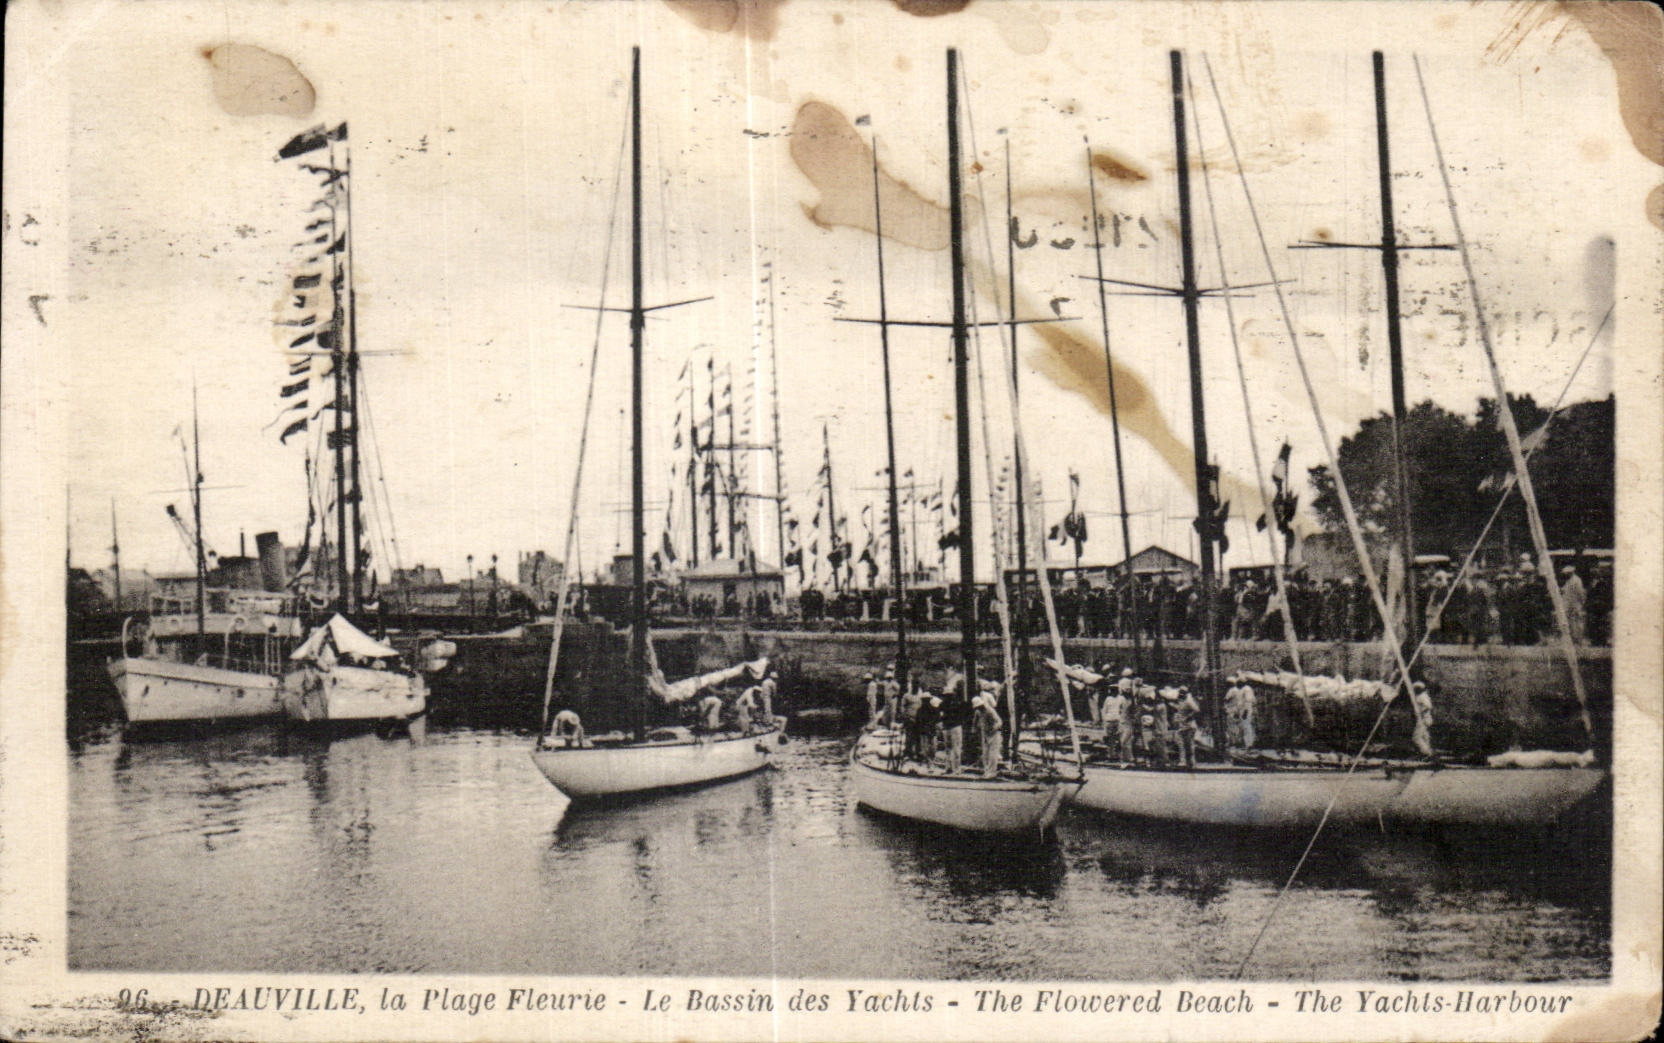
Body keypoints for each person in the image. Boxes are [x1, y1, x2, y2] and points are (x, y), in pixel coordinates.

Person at [940, 674, 970, 774]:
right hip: (948, 727)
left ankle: (956, 768)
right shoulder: (944, 704)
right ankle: (949, 767)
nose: (947, 697)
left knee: (956, 749)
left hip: (954, 727)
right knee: (949, 749)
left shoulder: (957, 703)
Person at [971, 688, 1004, 777]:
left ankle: (992, 772)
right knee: (985, 753)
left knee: (993, 754)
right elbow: (975, 722)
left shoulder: (989, 711)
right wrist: (974, 729)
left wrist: (995, 727)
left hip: (994, 734)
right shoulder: (978, 712)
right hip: (985, 734)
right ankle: (986, 771)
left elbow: (999, 721)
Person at [1170, 686, 1201, 768]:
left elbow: (1197, 710)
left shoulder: (1188, 701)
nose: (1181, 694)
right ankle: (1183, 761)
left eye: (1183, 693)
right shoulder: (1181, 701)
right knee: (1180, 743)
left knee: (1189, 744)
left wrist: (1189, 716)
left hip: (1189, 726)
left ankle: (1191, 762)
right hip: (1182, 725)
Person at [1409, 681, 1435, 758]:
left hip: (1424, 719)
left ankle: (1427, 752)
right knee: (1425, 736)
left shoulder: (1423, 696)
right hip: (1422, 719)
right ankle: (1428, 753)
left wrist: (1419, 711)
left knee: (1416, 738)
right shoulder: (1420, 696)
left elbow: (1428, 706)